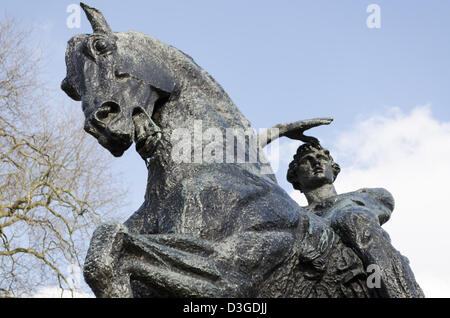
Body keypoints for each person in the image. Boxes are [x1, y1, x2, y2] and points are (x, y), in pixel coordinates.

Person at [287, 142, 424, 297]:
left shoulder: (364, 196)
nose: (316, 162)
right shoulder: (296, 215)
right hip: (313, 278)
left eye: (321, 158)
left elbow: (383, 206)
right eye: (307, 160)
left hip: (371, 270)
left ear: (333, 168)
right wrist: (273, 133)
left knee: (352, 218)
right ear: (295, 174)